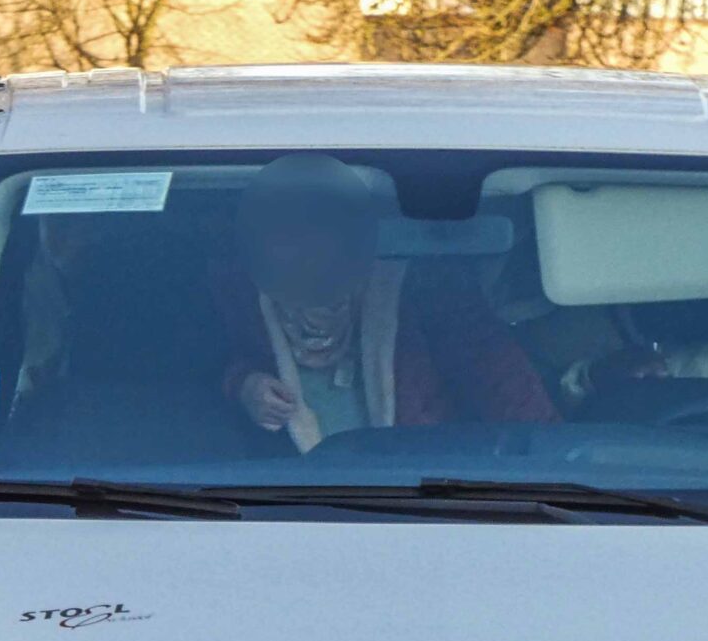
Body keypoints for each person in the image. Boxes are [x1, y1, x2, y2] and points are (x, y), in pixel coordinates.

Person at [214, 153, 554, 453]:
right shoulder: (238, 296)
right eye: (288, 230)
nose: (308, 247)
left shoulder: (422, 289)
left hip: (420, 499)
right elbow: (189, 370)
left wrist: (552, 462)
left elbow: (500, 378)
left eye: (323, 224)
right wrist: (243, 386)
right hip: (275, 506)